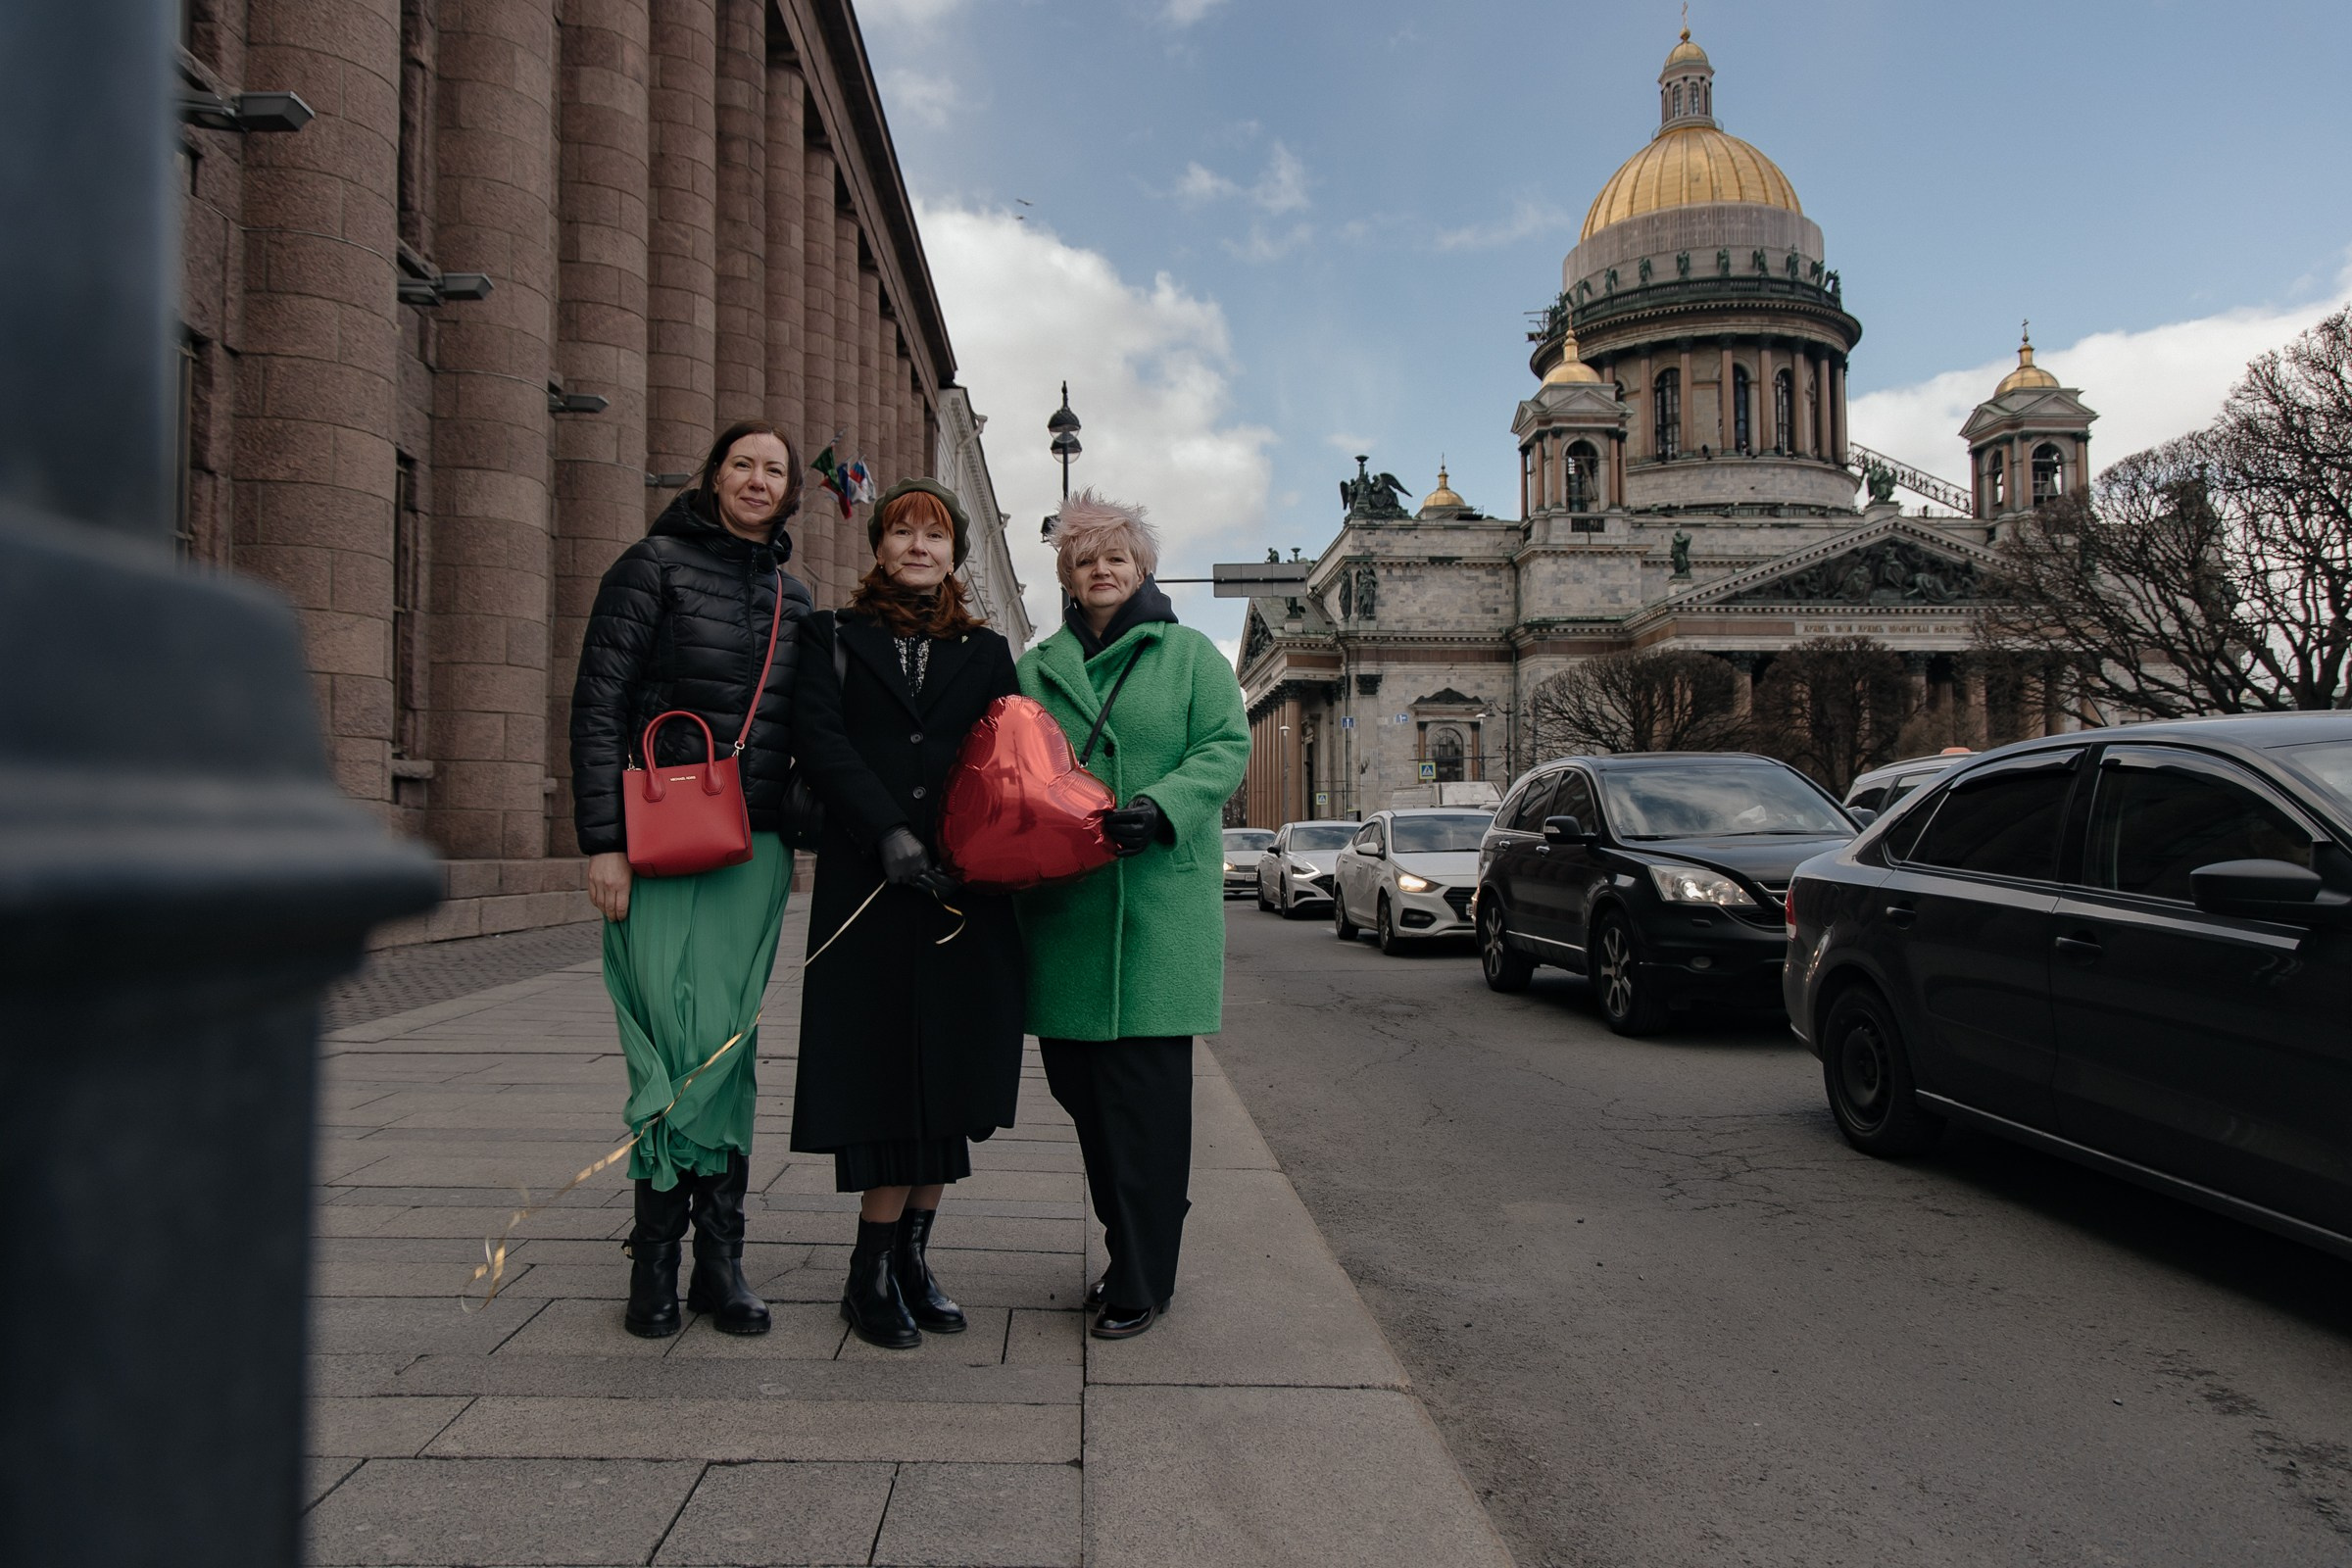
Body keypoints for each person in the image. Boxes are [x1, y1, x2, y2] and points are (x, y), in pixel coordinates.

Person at [569, 419, 813, 1340]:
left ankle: (720, 1258)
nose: (757, 480)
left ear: (790, 493)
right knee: (667, 1042)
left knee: (728, 1045)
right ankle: (656, 1255)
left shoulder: (797, 595)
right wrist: (603, 841)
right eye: (742, 464)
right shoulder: (652, 566)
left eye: (773, 470)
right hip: (659, 842)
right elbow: (599, 704)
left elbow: (804, 732)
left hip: (752, 852)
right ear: (714, 475)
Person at [790, 478, 1027, 1349]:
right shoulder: (833, 636)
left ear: (954, 555)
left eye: (935, 536)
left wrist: (973, 850)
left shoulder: (987, 649)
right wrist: (886, 831)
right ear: (879, 548)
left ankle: (916, 1262)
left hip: (963, 890)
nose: (919, 547)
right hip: (870, 883)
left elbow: (1008, 754)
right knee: (883, 1073)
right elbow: (820, 739)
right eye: (903, 533)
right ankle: (870, 1269)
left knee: (951, 1074)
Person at [1015, 491, 1250, 1339]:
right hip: (1068, 913)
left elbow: (1225, 746)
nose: (1103, 570)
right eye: (1086, 561)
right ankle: (1129, 1249)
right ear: (1068, 579)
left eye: (1117, 557)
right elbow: (1012, 765)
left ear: (1143, 567)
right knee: (1084, 1101)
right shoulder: (1036, 669)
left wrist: (1162, 804)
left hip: (1157, 910)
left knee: (1145, 1110)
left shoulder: (1190, 656)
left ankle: (1143, 1275)